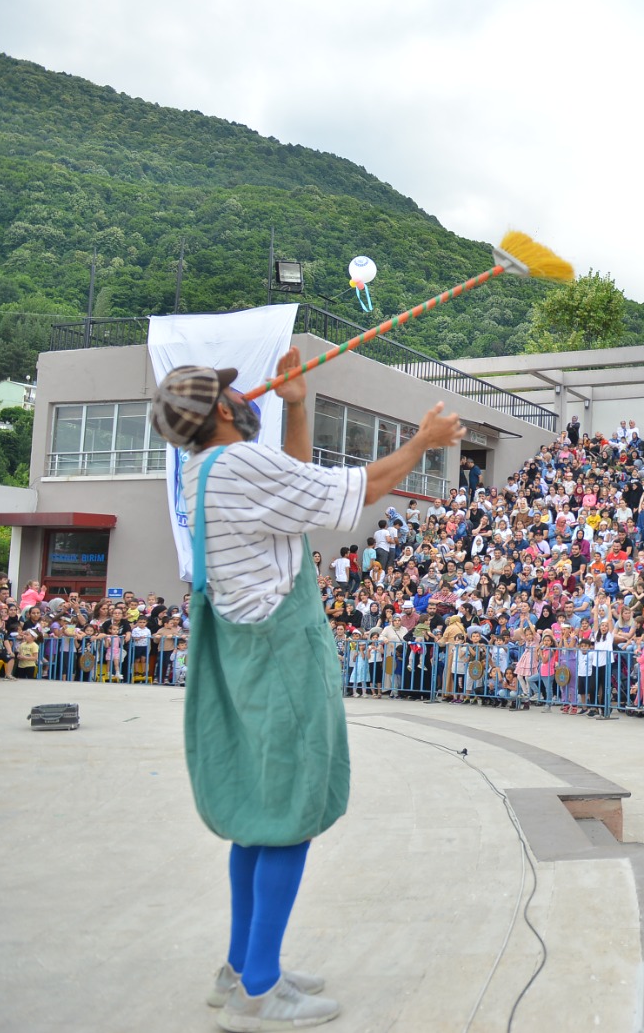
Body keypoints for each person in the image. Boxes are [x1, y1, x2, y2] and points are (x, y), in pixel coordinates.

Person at [150, 350, 466, 1031]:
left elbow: (290, 491)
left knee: (258, 819)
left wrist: (297, 405)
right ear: (222, 413)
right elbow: (361, 490)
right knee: (290, 812)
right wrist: (423, 442)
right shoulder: (238, 463)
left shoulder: (202, 470)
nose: (245, 397)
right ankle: (259, 990)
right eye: (235, 396)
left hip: (243, 648)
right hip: (279, 650)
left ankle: (240, 965)